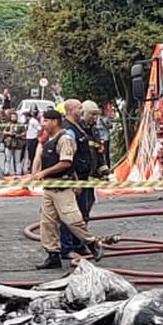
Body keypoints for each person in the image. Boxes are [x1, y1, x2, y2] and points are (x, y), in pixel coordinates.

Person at [33, 108, 103, 269]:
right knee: (47, 223)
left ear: (55, 122)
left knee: (72, 219)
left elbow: (66, 162)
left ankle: (92, 244)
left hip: (63, 187)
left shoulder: (64, 139)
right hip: (49, 188)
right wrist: (36, 173)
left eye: (46, 121)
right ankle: (53, 255)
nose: (43, 124)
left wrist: (44, 172)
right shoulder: (49, 140)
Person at [60, 100, 102, 259]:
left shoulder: (85, 129)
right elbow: (69, 158)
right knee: (71, 215)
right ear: (72, 110)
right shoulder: (69, 131)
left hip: (86, 178)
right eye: (79, 108)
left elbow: (97, 152)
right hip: (76, 180)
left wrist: (102, 170)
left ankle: (79, 244)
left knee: (82, 213)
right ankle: (68, 247)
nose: (82, 110)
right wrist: (75, 179)